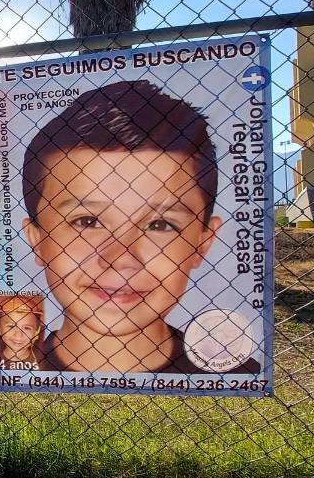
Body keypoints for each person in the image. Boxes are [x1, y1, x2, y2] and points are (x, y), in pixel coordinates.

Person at [18, 79, 256, 374]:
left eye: (160, 225)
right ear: (37, 240)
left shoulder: (238, 374)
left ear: (203, 242)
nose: (121, 260)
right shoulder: (19, 366)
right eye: (87, 222)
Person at [0, 294, 44, 370]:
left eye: (27, 328)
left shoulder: (43, 364)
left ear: (37, 331)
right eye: (11, 326)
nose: (18, 335)